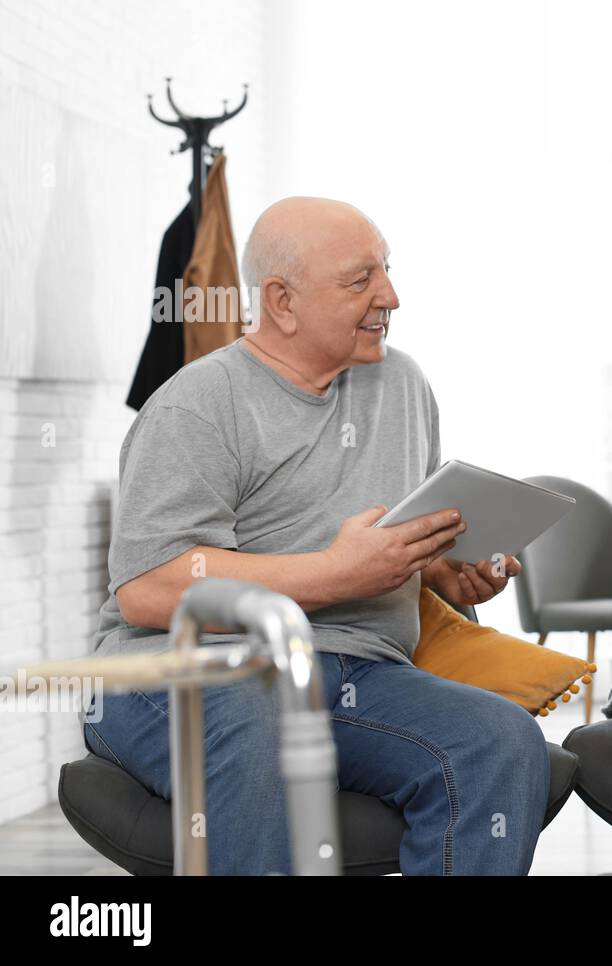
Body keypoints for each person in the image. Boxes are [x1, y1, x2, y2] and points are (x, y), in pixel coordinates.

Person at [84, 197, 549, 875]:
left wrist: (442, 570)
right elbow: (149, 590)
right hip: (180, 669)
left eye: (386, 271)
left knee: (500, 739)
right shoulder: (197, 405)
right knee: (255, 716)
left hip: (353, 672)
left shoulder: (402, 384)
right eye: (360, 281)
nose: (391, 295)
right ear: (282, 301)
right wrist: (336, 574)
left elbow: (396, 540)